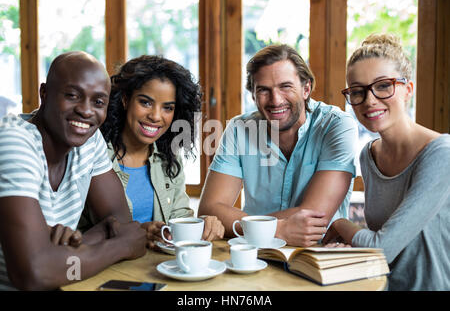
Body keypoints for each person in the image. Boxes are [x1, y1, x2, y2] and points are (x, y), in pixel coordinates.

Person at [0, 51, 147, 291]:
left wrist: (79, 243)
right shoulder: (14, 141)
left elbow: (120, 224)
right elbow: (33, 274)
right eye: (72, 95)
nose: (86, 111)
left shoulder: (88, 139)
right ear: (44, 94)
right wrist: (121, 247)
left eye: (98, 102)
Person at [322, 34, 450, 290]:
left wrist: (339, 223)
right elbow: (384, 244)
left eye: (383, 86)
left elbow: (380, 247)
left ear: (408, 90)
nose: (369, 100)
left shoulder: (441, 154)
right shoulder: (368, 155)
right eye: (357, 91)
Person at [198, 44, 358, 247]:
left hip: (318, 254)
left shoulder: (336, 125)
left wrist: (240, 224)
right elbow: (210, 210)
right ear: (253, 95)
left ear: (306, 88)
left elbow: (314, 216)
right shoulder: (240, 129)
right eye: (263, 90)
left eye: (285, 86)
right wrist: (278, 229)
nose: (275, 100)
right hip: (258, 252)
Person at [79, 55, 224, 251]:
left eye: (168, 108)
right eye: (146, 102)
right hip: (101, 269)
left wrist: (203, 224)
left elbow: (179, 219)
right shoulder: (93, 154)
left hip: (156, 269)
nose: (156, 116)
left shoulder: (169, 158)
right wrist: (138, 232)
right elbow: (75, 231)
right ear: (125, 99)